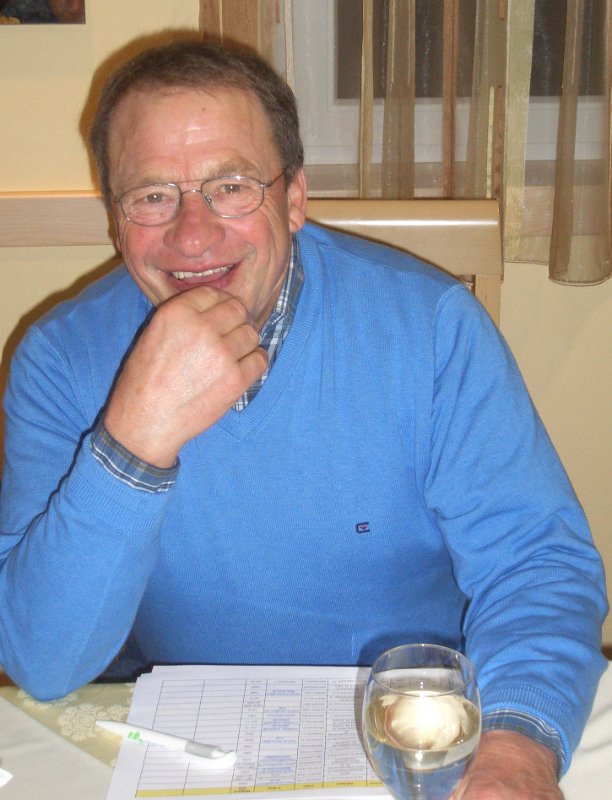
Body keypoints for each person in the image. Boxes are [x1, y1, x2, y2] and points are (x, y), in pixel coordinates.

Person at [0, 38, 607, 799]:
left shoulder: (432, 330)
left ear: (293, 198)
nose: (192, 234)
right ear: (114, 218)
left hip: (414, 732)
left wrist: (517, 749)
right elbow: (43, 661)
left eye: (231, 187)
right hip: (190, 748)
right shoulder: (59, 361)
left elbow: (537, 566)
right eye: (152, 196)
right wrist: (133, 443)